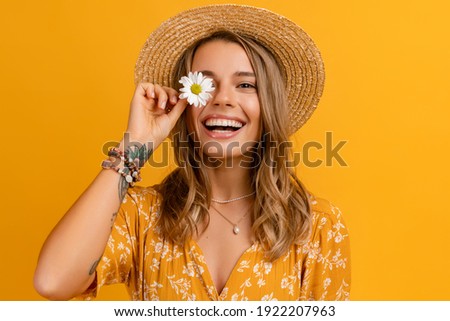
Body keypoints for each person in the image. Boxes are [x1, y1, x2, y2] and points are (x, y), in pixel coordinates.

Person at [34, 4, 350, 301]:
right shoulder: (141, 216)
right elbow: (53, 281)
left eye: (245, 85)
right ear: (185, 103)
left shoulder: (317, 225)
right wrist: (136, 146)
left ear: (270, 107)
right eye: (205, 86)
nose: (223, 99)